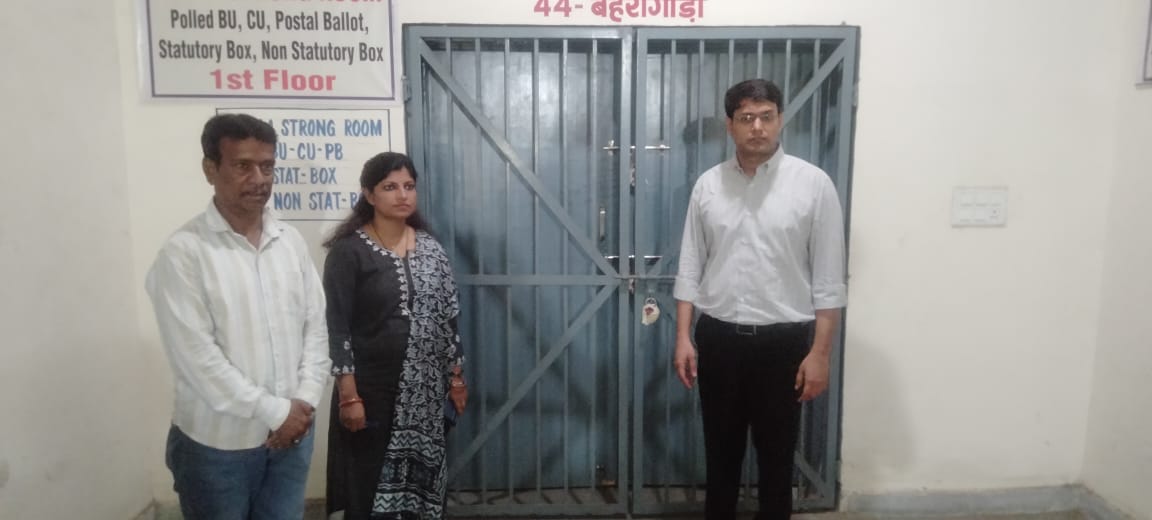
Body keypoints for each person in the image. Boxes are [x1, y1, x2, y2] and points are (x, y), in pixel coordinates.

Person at [672, 79, 847, 520]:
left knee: (776, 463)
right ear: (730, 125)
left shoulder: (813, 185)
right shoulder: (708, 186)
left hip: (784, 345)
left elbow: (829, 279)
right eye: (746, 118)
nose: (757, 127)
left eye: (766, 116)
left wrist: (820, 354)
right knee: (721, 458)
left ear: (780, 119)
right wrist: (683, 336)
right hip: (719, 340)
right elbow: (690, 265)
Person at [145, 113, 332, 520]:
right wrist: (278, 412)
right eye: (243, 165)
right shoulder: (183, 253)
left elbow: (316, 328)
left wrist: (304, 401)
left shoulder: (290, 243)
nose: (259, 179)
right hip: (217, 448)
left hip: (293, 438)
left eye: (267, 166)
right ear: (210, 169)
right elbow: (198, 360)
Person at [322, 151, 468, 519]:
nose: (402, 195)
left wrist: (455, 378)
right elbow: (337, 326)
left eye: (409, 186)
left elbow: (450, 319)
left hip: (425, 395)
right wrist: (349, 396)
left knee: (424, 482)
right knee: (368, 481)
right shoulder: (349, 252)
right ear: (369, 195)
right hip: (371, 392)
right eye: (390, 187)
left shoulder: (431, 248)